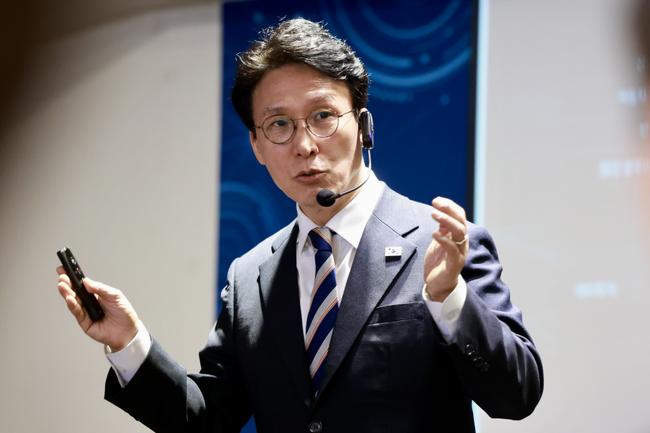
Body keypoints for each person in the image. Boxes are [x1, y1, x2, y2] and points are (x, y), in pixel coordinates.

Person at [57, 18, 543, 433]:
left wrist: (449, 299)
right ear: (256, 145)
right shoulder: (250, 278)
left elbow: (517, 395)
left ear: (364, 126)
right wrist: (129, 343)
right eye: (279, 125)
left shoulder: (441, 245)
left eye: (323, 116)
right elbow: (205, 420)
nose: (305, 145)